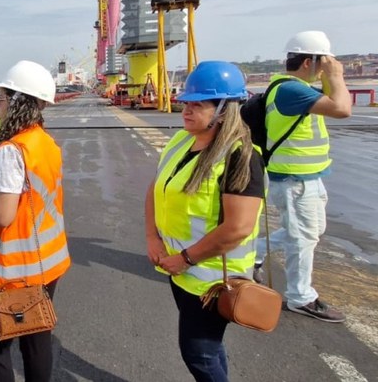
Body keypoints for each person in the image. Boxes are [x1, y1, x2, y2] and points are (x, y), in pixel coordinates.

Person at [145, 61, 264, 382]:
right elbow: (157, 188)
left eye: (198, 105)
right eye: (186, 102)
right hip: (179, 272)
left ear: (225, 109)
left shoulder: (240, 156)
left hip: (212, 281)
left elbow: (237, 227)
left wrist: (185, 259)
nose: (186, 110)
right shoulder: (182, 141)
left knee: (199, 352)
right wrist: (153, 238)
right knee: (209, 349)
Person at [0, 60, 70, 382]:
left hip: (11, 270)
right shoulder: (44, 143)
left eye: (0, 99)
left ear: (15, 101)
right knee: (36, 338)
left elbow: (2, 215)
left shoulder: (11, 151)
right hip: (47, 264)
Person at [254, 31, 352, 322]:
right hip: (295, 179)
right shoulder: (291, 91)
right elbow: (342, 108)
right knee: (302, 239)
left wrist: (328, 77)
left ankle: (255, 252)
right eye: (324, 62)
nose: (328, 67)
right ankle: (300, 297)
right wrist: (336, 76)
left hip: (306, 177)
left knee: (309, 232)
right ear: (310, 61)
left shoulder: (297, 88)